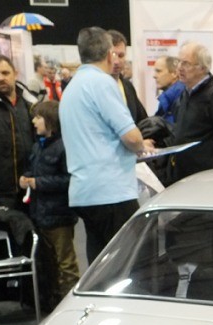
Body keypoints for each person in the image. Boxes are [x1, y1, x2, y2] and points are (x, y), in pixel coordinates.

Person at [59, 26, 154, 264]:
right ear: (110, 53)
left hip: (85, 191)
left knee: (100, 263)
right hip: (111, 191)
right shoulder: (101, 83)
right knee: (128, 263)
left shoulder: (73, 87)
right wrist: (141, 145)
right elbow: (131, 137)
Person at [19, 100, 79, 311]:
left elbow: (69, 179)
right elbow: (34, 170)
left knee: (66, 264)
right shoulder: (38, 146)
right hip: (40, 215)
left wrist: (38, 183)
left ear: (50, 120)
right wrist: (26, 177)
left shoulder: (64, 147)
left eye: (38, 117)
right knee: (49, 264)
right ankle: (55, 304)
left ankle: (70, 307)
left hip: (60, 217)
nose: (33, 122)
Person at [166, 42, 213, 185]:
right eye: (179, 62)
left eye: (186, 63)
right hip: (185, 178)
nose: (180, 67)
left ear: (202, 67)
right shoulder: (186, 94)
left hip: (209, 180)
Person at [0, 55, 37, 210]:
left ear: (15, 73)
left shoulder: (30, 102)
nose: (1, 78)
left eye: (5, 73)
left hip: (31, 188)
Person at [108, 30, 148, 124]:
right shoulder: (92, 87)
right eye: (112, 55)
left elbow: (142, 120)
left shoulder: (127, 86)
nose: (116, 61)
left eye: (121, 55)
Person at [153, 55, 183, 124]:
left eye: (158, 71)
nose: (154, 76)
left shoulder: (182, 99)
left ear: (175, 73)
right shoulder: (168, 98)